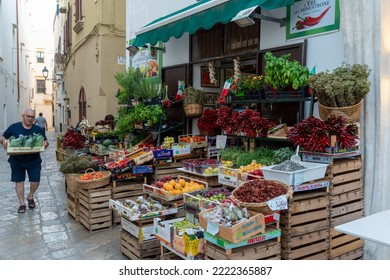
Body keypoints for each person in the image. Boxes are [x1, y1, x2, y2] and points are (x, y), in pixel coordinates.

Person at [0, 108, 49, 214]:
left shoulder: (38, 129)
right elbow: (2, 137)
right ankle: (22, 203)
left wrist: (45, 143)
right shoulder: (14, 127)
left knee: (35, 180)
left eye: (32, 117)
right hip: (17, 160)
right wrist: (4, 141)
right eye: (28, 116)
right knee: (19, 181)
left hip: (34, 160)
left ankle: (30, 196)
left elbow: (45, 140)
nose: (30, 119)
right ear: (23, 116)